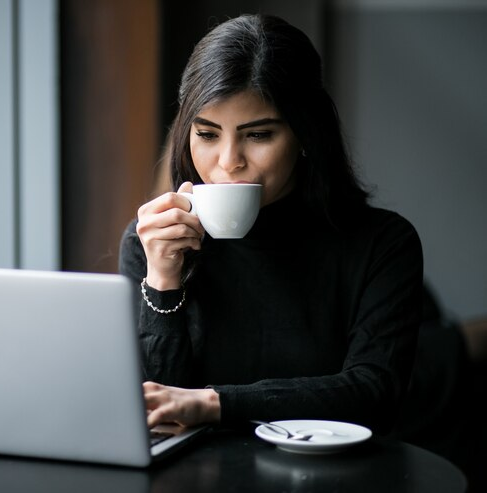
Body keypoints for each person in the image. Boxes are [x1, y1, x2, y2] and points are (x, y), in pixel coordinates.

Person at [118, 14, 423, 433]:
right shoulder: (152, 242)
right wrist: (163, 280)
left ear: (305, 136)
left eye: (258, 135)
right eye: (207, 134)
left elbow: (373, 391)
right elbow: (157, 410)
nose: (228, 162)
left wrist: (215, 404)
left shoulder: (383, 243)